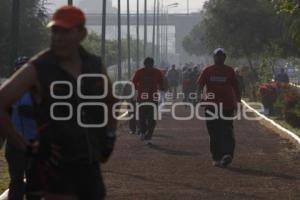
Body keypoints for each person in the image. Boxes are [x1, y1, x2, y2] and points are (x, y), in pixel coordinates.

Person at [0, 5, 117, 200]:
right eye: (55, 31)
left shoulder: (94, 65)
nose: (58, 37)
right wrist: (21, 145)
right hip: (53, 166)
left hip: (88, 165)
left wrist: (109, 136)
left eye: (65, 31)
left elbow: (110, 102)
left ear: (82, 33)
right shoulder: (39, 67)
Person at [197, 48, 241, 168]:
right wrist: (199, 97)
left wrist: (238, 100)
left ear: (225, 57)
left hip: (227, 106)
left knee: (227, 130)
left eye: (222, 56)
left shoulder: (230, 71)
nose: (219, 58)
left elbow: (236, 86)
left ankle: (227, 154)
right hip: (211, 106)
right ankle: (216, 157)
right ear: (214, 57)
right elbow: (200, 85)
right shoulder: (207, 70)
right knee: (214, 132)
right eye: (217, 56)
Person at [5, 57, 40, 200]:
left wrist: (33, 113)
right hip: (14, 143)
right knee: (16, 180)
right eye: (18, 69)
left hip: (35, 143)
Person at [132, 57, 164, 145]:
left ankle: (148, 136)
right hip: (142, 98)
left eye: (150, 65)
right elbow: (133, 82)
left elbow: (161, 83)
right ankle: (143, 132)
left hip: (153, 98)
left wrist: (161, 92)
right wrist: (137, 91)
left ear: (152, 65)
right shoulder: (139, 72)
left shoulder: (157, 72)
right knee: (142, 118)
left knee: (152, 119)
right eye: (147, 65)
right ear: (144, 65)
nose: (149, 67)